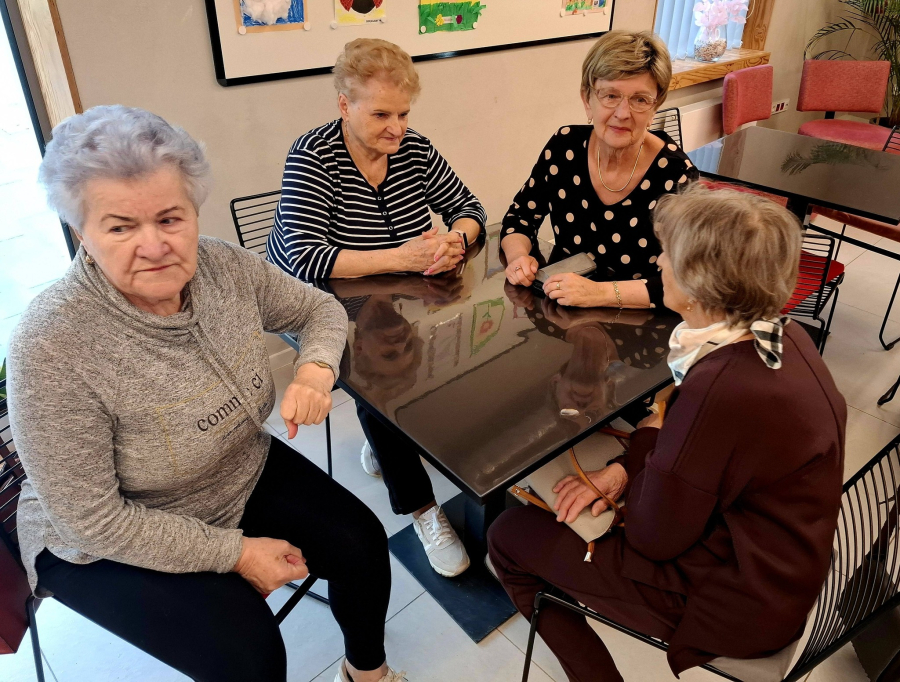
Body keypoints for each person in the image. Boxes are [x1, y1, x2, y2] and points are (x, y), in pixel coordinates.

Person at [7, 106, 406, 682]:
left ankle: (367, 673)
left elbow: (318, 307)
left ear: (194, 212)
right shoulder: (53, 343)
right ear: (81, 234)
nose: (154, 246)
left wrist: (315, 370)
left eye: (170, 218)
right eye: (120, 227)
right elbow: (91, 520)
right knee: (248, 655)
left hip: (232, 468)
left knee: (362, 543)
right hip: (106, 535)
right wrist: (235, 553)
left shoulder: (223, 267)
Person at [488, 185, 847, 682]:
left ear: (699, 284)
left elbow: (653, 538)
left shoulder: (721, 388)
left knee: (508, 536)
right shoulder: (788, 337)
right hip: (785, 565)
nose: (658, 261)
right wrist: (636, 457)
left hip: (740, 606)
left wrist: (642, 449)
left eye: (668, 254)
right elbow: (692, 451)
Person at [268, 38, 487, 578]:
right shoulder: (313, 156)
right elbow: (304, 256)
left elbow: (469, 207)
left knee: (431, 362)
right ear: (345, 105)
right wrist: (402, 256)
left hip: (397, 294)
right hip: (322, 303)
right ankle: (422, 508)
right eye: (382, 114)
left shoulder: (414, 150)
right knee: (379, 384)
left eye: (404, 114)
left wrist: (457, 239)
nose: (397, 128)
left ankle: (385, 442)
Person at [502, 30, 699, 309]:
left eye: (640, 100)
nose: (622, 113)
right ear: (587, 99)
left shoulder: (676, 174)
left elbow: (687, 282)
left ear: (655, 106)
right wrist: (518, 258)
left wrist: (599, 293)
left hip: (636, 321)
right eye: (610, 95)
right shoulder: (564, 146)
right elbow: (520, 217)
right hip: (562, 308)